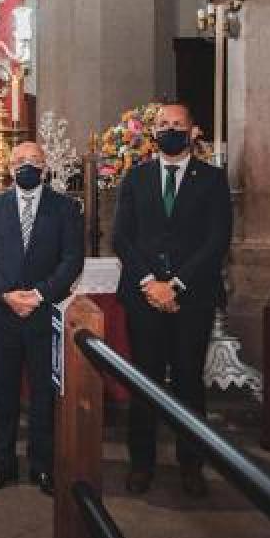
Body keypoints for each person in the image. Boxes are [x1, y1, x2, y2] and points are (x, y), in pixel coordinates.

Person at [113, 101, 232, 497]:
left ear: (193, 131)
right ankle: (141, 463)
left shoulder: (213, 180)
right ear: (153, 132)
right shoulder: (136, 177)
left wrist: (175, 284)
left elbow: (217, 241)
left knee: (187, 381)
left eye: (177, 124)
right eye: (162, 124)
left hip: (192, 297)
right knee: (143, 380)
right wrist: (150, 282)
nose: (169, 129)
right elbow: (122, 238)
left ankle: (191, 464)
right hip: (143, 295)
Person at [0, 142, 84, 495]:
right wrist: (7, 295)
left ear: (45, 167)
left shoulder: (66, 208)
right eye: (20, 161)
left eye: (34, 161)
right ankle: (2, 464)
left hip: (43, 315)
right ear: (9, 168)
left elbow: (71, 260)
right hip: (2, 316)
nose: (27, 166)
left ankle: (42, 467)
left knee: (43, 397)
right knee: (2, 397)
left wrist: (38, 295)